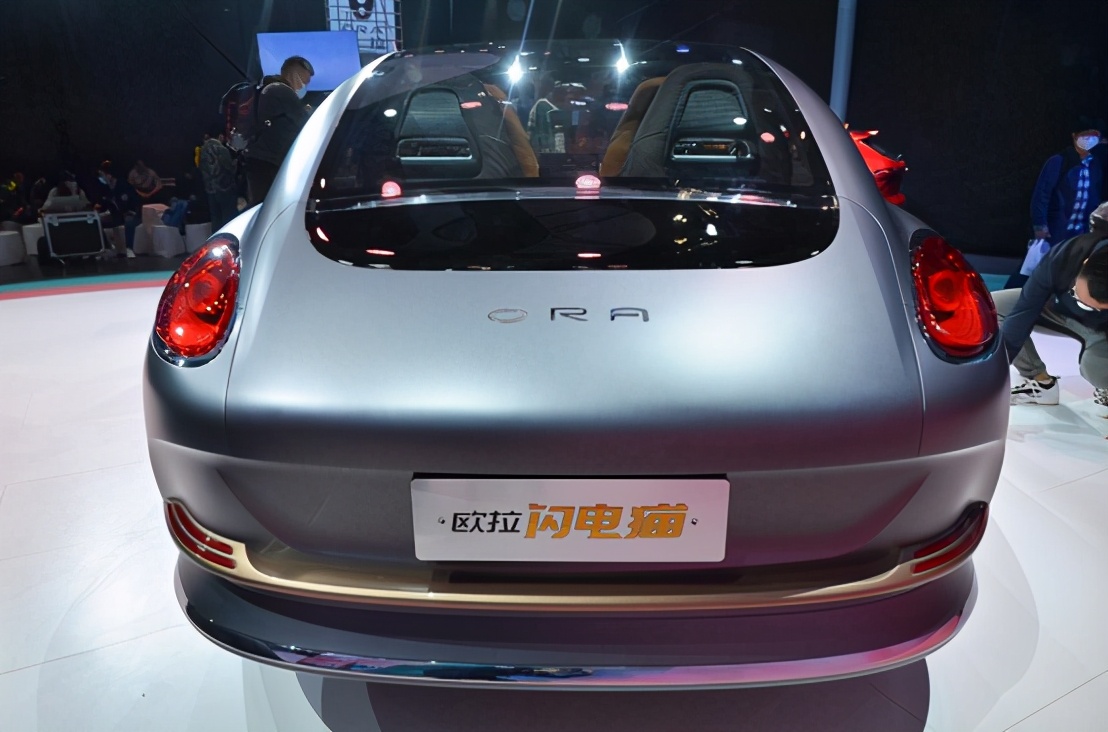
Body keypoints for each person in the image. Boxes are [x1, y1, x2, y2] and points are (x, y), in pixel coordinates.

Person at [995, 201, 1108, 408]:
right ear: (1084, 264)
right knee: (991, 307)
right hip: (1058, 308)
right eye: (1077, 294)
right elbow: (1023, 314)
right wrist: (995, 377)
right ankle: (1041, 382)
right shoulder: (1063, 256)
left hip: (1102, 330)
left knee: (1097, 371)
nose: (1086, 306)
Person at [1007, 125, 1106, 288]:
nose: (1089, 139)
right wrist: (1040, 224)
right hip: (1055, 229)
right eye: (1085, 135)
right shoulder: (1059, 161)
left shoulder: (1095, 164)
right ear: (1074, 136)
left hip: (1079, 231)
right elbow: (1042, 195)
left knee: (1068, 270)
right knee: (1035, 266)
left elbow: (1094, 196)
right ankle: (1010, 293)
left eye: (1094, 136)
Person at [245, 56, 315, 205]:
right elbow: (306, 124)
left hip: (260, 159)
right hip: (269, 161)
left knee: (261, 205)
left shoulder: (269, 89)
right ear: (294, 75)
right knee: (271, 207)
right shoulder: (282, 91)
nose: (304, 86)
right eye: (304, 81)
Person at [90, 160, 140, 257]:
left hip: (129, 213)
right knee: (96, 221)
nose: (100, 178)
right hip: (114, 214)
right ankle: (105, 248)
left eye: (102, 175)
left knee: (125, 222)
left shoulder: (123, 185)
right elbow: (104, 202)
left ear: (109, 175)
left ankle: (127, 249)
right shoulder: (105, 187)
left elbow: (129, 203)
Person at [199, 128, 239, 229]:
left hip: (210, 189)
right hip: (224, 188)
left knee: (215, 219)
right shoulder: (221, 149)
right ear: (220, 136)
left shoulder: (203, 150)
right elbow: (229, 168)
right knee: (228, 218)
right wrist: (235, 163)